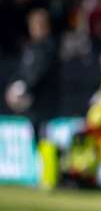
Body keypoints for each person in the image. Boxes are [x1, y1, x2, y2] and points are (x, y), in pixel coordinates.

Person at [5, 8, 60, 136]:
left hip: (46, 107)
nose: (36, 28)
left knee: (44, 140)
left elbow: (39, 72)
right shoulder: (30, 48)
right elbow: (21, 71)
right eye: (34, 25)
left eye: (40, 25)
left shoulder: (49, 47)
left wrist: (23, 87)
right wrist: (13, 87)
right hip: (30, 108)